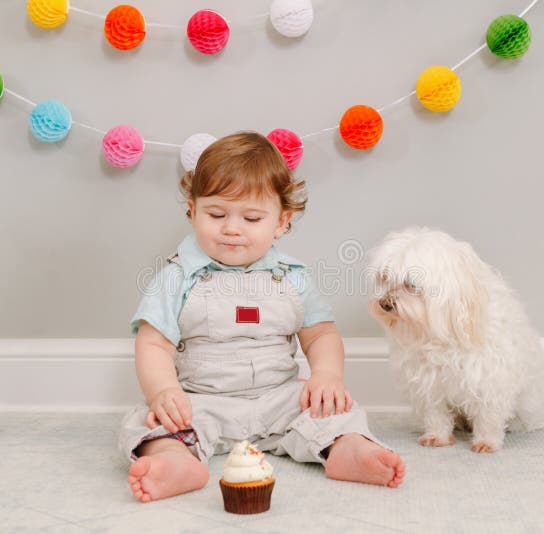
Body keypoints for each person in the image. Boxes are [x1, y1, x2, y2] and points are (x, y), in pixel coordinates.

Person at [120, 132, 405, 502]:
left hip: (280, 399)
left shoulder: (292, 276)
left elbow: (320, 335)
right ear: (192, 210)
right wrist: (164, 391)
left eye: (252, 217)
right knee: (146, 425)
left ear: (281, 221)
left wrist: (327, 375)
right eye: (216, 214)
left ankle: (348, 450)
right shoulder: (176, 276)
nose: (232, 228)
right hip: (203, 400)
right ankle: (176, 462)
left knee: (339, 412)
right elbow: (153, 341)